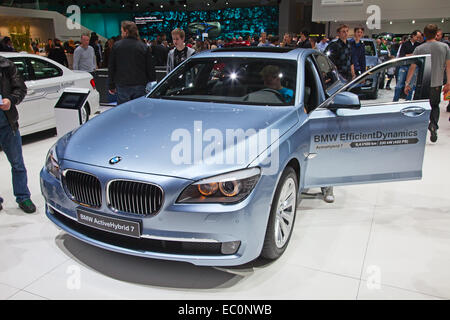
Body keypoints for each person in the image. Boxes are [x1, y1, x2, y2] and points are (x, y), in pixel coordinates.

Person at [0, 55, 36, 213]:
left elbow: (20, 88)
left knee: (17, 163)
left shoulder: (6, 65)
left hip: (7, 123)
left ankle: (23, 197)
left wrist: (10, 100)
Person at [404, 24, 450, 143]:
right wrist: (448, 83)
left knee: (420, 107)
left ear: (424, 35)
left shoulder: (419, 49)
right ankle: (433, 125)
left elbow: (412, 67)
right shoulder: (444, 47)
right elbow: (448, 66)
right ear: (436, 34)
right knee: (434, 106)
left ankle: (418, 130)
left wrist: (407, 83)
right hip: (437, 83)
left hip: (422, 83)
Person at [108, 21, 155, 105]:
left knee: (123, 111)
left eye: (122, 31)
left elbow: (112, 67)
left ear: (126, 32)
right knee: (139, 111)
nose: (121, 34)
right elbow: (150, 68)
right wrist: (152, 82)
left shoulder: (117, 46)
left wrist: (111, 85)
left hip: (122, 85)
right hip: (140, 85)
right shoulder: (143, 46)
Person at [393, 30, 422, 102]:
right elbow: (402, 55)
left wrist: (409, 55)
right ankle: (395, 100)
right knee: (399, 85)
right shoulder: (405, 44)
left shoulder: (418, 45)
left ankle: (408, 101)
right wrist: (412, 55)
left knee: (411, 85)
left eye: (419, 37)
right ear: (413, 36)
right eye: (417, 37)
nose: (418, 39)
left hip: (414, 67)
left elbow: (419, 56)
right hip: (404, 66)